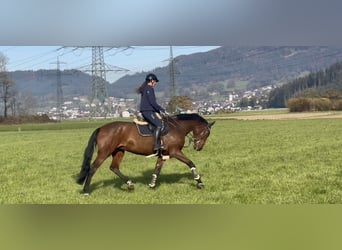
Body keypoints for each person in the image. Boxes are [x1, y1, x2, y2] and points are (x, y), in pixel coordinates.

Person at [136, 73, 167, 153]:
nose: (156, 83)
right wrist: (161, 109)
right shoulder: (149, 88)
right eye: (155, 81)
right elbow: (152, 102)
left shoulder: (145, 88)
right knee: (159, 124)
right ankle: (157, 145)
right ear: (152, 81)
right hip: (148, 111)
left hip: (148, 110)